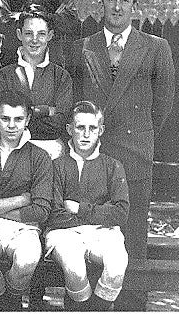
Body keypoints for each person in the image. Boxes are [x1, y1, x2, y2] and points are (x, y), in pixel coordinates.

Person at [70, 0, 175, 311]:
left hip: (134, 155)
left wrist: (138, 132)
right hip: (92, 154)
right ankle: (87, 306)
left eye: (125, 0)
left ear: (135, 6)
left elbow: (163, 105)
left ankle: (131, 306)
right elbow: (73, 99)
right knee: (88, 232)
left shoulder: (156, 47)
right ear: (101, 4)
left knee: (131, 236)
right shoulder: (83, 46)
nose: (117, 7)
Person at [0, 90, 52, 311]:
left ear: (28, 119)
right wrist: (22, 199)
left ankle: (7, 306)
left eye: (18, 119)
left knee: (27, 261)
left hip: (25, 228)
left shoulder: (40, 157)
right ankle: (9, 309)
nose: (11, 125)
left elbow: (41, 211)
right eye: (5, 118)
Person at [44, 100, 129, 311]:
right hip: (64, 234)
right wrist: (101, 213)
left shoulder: (113, 166)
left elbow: (120, 213)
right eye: (80, 127)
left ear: (101, 131)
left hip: (103, 233)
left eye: (92, 128)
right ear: (69, 130)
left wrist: (79, 209)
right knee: (75, 269)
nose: (86, 134)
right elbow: (54, 214)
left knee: (117, 265)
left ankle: (94, 310)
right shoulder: (56, 166)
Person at [0, 4, 72, 160]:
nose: (35, 40)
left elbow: (58, 125)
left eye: (41, 34)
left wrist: (20, 120)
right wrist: (47, 111)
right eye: (29, 33)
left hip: (50, 153)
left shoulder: (61, 76)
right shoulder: (5, 75)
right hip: (12, 153)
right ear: (19, 34)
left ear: (50, 35)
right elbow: (1, 121)